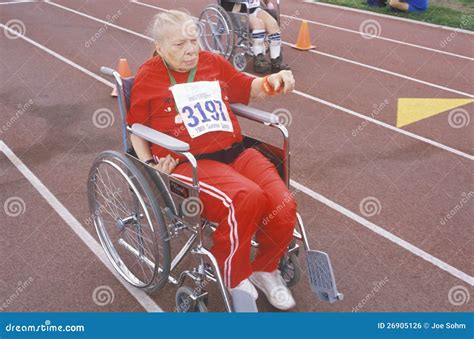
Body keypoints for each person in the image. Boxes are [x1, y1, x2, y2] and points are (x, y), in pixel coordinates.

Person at [128, 10, 297, 311]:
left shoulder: (212, 63)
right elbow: (136, 129)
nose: (191, 49)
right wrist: (150, 163)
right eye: (179, 44)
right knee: (246, 197)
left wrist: (275, 81)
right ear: (159, 47)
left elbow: (250, 89)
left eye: (193, 40)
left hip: (235, 152)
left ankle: (265, 269)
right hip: (191, 164)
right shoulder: (149, 75)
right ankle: (234, 276)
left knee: (282, 202)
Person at [221, 0, 290, 74]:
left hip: (254, 8)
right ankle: (259, 62)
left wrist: (268, 2)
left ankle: (276, 62)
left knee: (273, 25)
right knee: (258, 24)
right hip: (237, 10)